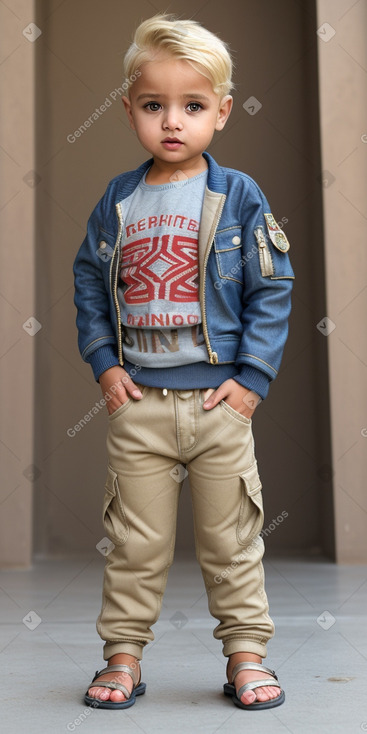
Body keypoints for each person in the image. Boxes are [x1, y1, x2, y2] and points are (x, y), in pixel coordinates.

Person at [73, 12, 294, 711]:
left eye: (192, 106)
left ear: (221, 112)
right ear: (129, 110)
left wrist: (250, 380)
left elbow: (271, 285)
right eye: (153, 106)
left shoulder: (237, 197)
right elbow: (87, 283)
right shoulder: (117, 199)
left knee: (232, 540)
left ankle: (247, 656)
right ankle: (122, 657)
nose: (172, 121)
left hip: (218, 406)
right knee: (134, 543)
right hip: (138, 405)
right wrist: (105, 364)